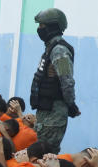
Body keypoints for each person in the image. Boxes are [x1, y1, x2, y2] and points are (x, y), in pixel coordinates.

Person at [30, 8, 78, 153]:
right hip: (46, 112)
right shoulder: (50, 48)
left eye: (42, 26)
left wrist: (71, 104)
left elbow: (66, 80)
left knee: (46, 155)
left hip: (53, 115)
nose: (39, 29)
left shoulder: (60, 51)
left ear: (52, 27)